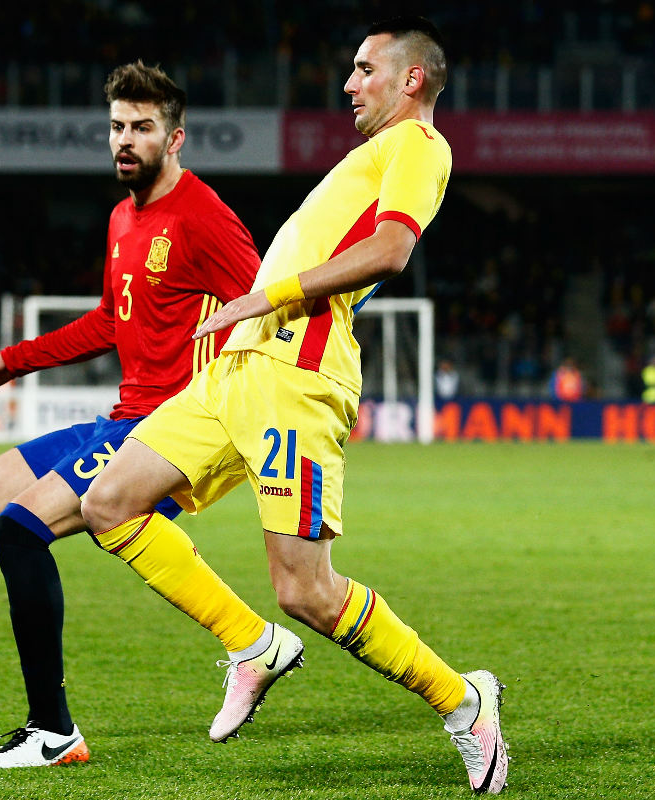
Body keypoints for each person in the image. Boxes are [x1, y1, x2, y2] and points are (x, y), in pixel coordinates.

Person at [79, 18, 509, 795]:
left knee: (306, 590)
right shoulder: (370, 154)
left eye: (363, 69)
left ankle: (465, 702)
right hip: (236, 372)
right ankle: (249, 647)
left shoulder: (418, 146)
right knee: (109, 503)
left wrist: (263, 295)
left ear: (410, 79)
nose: (349, 83)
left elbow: (391, 251)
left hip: (296, 376)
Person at [0, 61, 291, 769]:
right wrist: (7, 361)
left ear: (176, 139)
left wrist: (249, 419)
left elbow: (267, 304)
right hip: (119, 417)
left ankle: (54, 730)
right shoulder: (122, 218)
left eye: (141, 127)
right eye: (116, 127)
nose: (124, 140)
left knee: (20, 530)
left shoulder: (203, 217)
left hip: (167, 432)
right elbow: (110, 321)